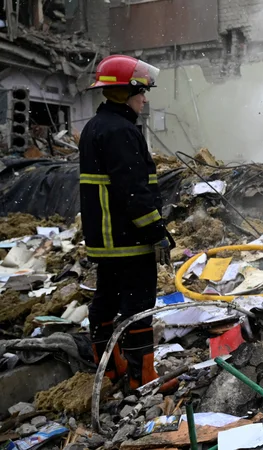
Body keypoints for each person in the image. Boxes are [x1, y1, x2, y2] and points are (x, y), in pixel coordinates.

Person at [81, 55, 174, 389]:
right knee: (138, 305)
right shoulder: (121, 131)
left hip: (104, 239)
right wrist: (156, 231)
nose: (144, 99)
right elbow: (133, 190)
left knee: (105, 301)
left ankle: (110, 371)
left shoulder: (96, 127)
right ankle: (143, 378)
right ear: (125, 92)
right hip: (127, 239)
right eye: (141, 92)